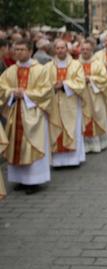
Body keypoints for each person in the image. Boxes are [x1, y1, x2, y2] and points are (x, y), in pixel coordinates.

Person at [0, 39, 53, 194]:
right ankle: (20, 179)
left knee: (31, 144)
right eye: (16, 49)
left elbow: (47, 91)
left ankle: (34, 180)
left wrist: (26, 94)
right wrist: (11, 93)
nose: (18, 52)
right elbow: (2, 87)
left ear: (30, 51)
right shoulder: (10, 70)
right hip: (15, 113)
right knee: (16, 146)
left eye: (22, 49)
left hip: (33, 115)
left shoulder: (40, 70)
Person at [45, 39, 86, 167]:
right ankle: (57, 161)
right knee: (55, 129)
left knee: (72, 129)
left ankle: (73, 160)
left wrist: (64, 84)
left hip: (71, 103)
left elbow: (81, 83)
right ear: (54, 50)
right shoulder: (48, 66)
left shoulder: (76, 65)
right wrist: (53, 86)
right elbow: (43, 84)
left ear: (67, 49)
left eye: (62, 48)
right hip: (54, 104)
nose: (60, 50)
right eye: (57, 48)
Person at [79, 39, 107, 153]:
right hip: (81, 98)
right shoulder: (75, 64)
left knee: (98, 118)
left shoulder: (98, 64)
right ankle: (86, 144)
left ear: (91, 50)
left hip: (95, 96)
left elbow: (105, 79)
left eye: (87, 49)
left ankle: (99, 143)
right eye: (83, 49)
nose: (85, 51)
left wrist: (91, 79)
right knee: (83, 120)